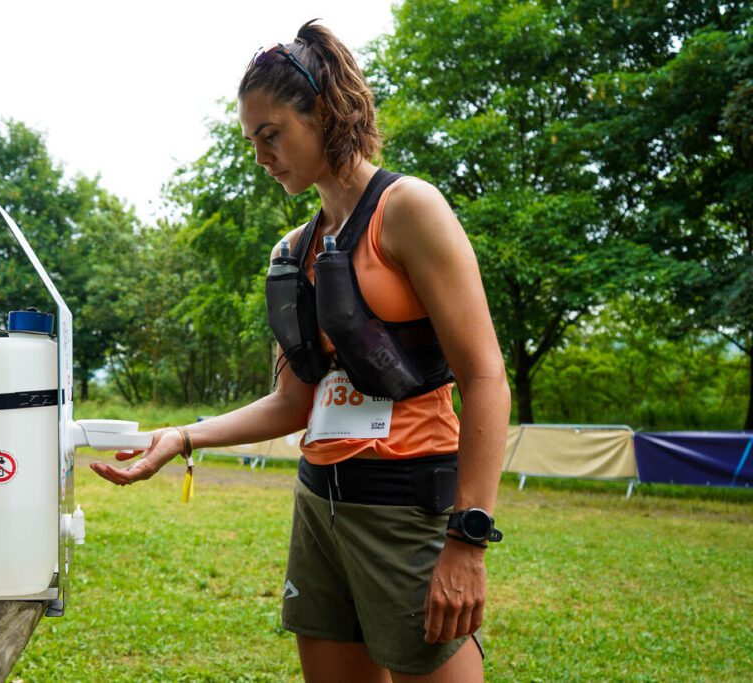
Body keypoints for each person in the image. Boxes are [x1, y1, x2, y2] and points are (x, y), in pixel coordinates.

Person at [91, 19, 510, 683]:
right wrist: (182, 435)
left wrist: (468, 537)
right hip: (319, 506)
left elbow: (485, 376)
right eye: (250, 140)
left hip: (407, 506)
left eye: (271, 133)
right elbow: (295, 400)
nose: (260, 155)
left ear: (323, 112)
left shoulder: (408, 210)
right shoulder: (294, 250)